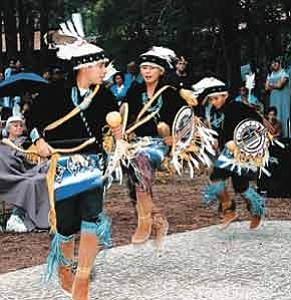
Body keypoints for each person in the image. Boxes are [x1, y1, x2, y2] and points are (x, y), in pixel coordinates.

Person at [26, 14, 118, 299]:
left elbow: (115, 127)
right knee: (66, 225)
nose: (105, 70)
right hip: (63, 167)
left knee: (92, 217)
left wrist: (119, 136)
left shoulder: (105, 96)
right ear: (84, 67)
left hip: (92, 165)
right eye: (101, 65)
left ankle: (83, 277)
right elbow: (32, 121)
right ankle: (65, 267)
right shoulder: (53, 94)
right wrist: (38, 141)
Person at [121, 46, 187, 245]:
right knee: (132, 170)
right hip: (137, 142)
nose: (147, 72)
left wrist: (174, 139)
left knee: (140, 161)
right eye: (144, 68)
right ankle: (153, 217)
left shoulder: (170, 94)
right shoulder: (135, 91)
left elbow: (188, 120)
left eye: (152, 68)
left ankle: (146, 221)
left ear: (161, 71)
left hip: (158, 145)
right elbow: (123, 113)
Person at [193, 77, 266, 230]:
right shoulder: (214, 112)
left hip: (242, 151)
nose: (214, 101)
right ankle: (231, 209)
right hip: (227, 151)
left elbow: (257, 124)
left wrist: (244, 144)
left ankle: (252, 210)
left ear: (225, 95)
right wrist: (216, 140)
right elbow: (220, 130)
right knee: (229, 182)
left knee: (230, 182)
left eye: (217, 98)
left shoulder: (238, 106)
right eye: (211, 99)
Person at [0, 116, 49, 232]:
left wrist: (40, 164)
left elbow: (27, 164)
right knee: (31, 182)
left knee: (44, 176)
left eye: (21, 125)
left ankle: (29, 216)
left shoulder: (29, 143)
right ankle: (16, 217)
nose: (19, 128)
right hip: (8, 175)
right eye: (15, 126)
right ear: (8, 129)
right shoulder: (4, 144)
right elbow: (9, 162)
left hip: (24, 172)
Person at [265, 57, 291, 137]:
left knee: (284, 115)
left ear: (279, 63)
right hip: (274, 99)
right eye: (272, 63)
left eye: (275, 62)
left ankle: (287, 137)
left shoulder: (284, 73)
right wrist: (274, 85)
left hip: (283, 99)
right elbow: (266, 88)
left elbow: (280, 85)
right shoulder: (270, 74)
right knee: (274, 115)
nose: (274, 64)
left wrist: (271, 85)